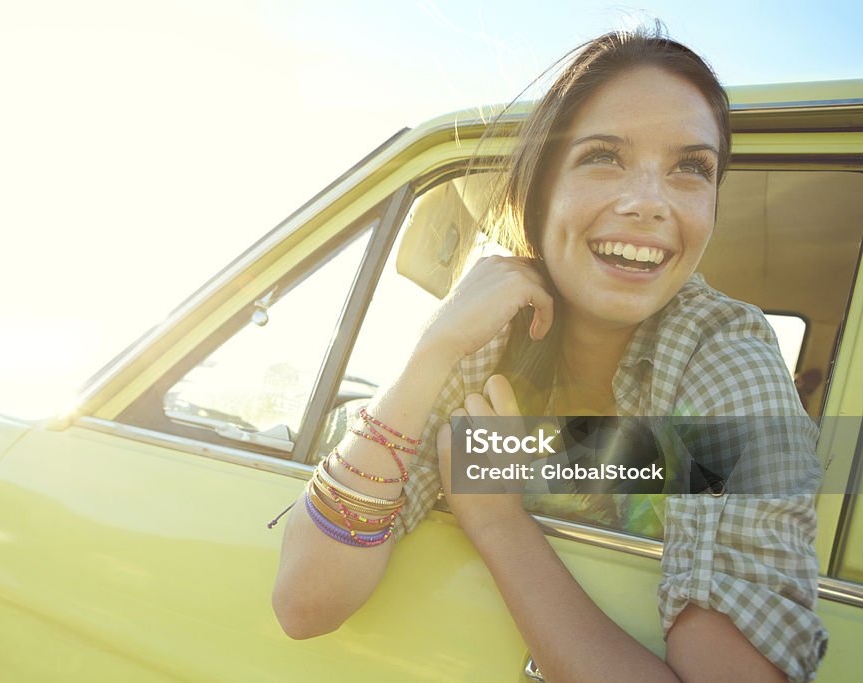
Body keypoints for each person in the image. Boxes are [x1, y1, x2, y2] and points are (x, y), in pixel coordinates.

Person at [271, 25, 827, 683]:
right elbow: (306, 601)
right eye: (603, 156)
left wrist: (497, 517)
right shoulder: (486, 339)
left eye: (690, 168)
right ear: (543, 187)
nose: (648, 203)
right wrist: (434, 349)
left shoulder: (729, 359)